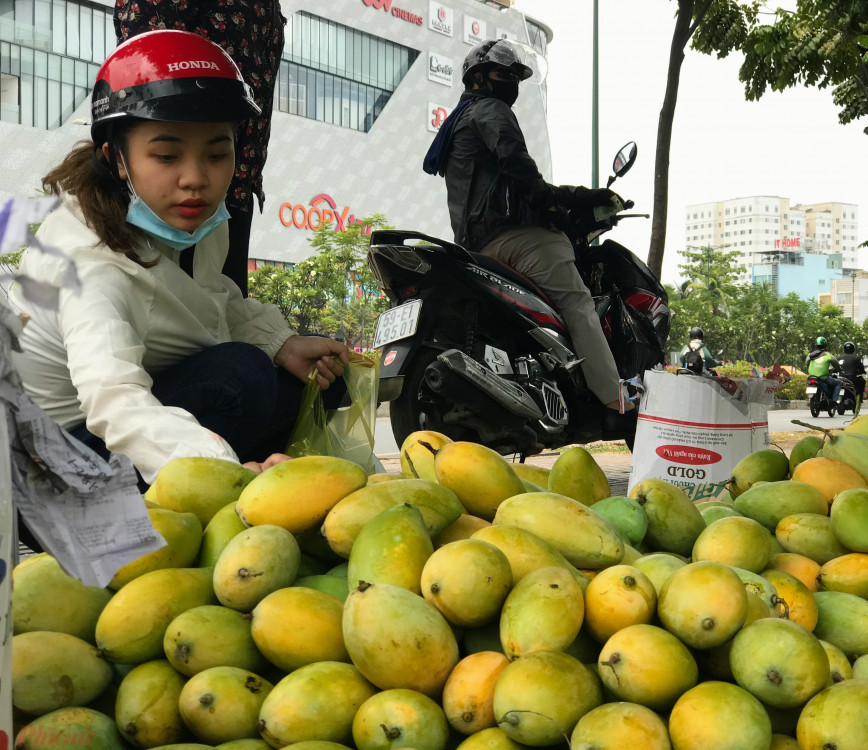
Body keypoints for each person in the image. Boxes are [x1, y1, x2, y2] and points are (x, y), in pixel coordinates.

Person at [8, 30, 348, 484]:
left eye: (217, 153)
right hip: (52, 461)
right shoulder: (86, 260)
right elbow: (114, 400)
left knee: (320, 382)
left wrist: (282, 344)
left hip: (128, 420)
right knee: (239, 375)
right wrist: (221, 474)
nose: (195, 179)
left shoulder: (190, 219)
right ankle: (209, 505)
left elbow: (212, 300)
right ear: (117, 159)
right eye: (166, 155)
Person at [423, 39, 634, 434]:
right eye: (504, 75)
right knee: (578, 302)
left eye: (516, 77)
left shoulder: (458, 125)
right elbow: (517, 163)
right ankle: (614, 401)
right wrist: (552, 209)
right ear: (479, 79)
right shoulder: (490, 110)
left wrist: (576, 196)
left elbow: (513, 179)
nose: (512, 84)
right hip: (514, 239)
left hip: (479, 245)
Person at [114, 0, 285, 298]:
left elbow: (228, 315)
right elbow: (142, 67)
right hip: (163, 193)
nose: (194, 178)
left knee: (225, 315)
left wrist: (280, 342)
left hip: (233, 189)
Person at [806, 336, 842, 404]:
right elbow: (836, 364)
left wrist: (809, 370)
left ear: (816, 345)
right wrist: (839, 370)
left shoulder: (810, 355)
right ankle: (834, 401)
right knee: (838, 383)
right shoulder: (828, 355)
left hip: (811, 376)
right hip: (823, 377)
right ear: (825, 345)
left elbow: (807, 364)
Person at [838, 341, 866, 412]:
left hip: (841, 379)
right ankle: (859, 398)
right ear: (853, 349)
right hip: (853, 379)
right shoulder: (856, 358)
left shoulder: (839, 358)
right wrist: (862, 372)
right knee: (862, 381)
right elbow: (861, 368)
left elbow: (835, 368)